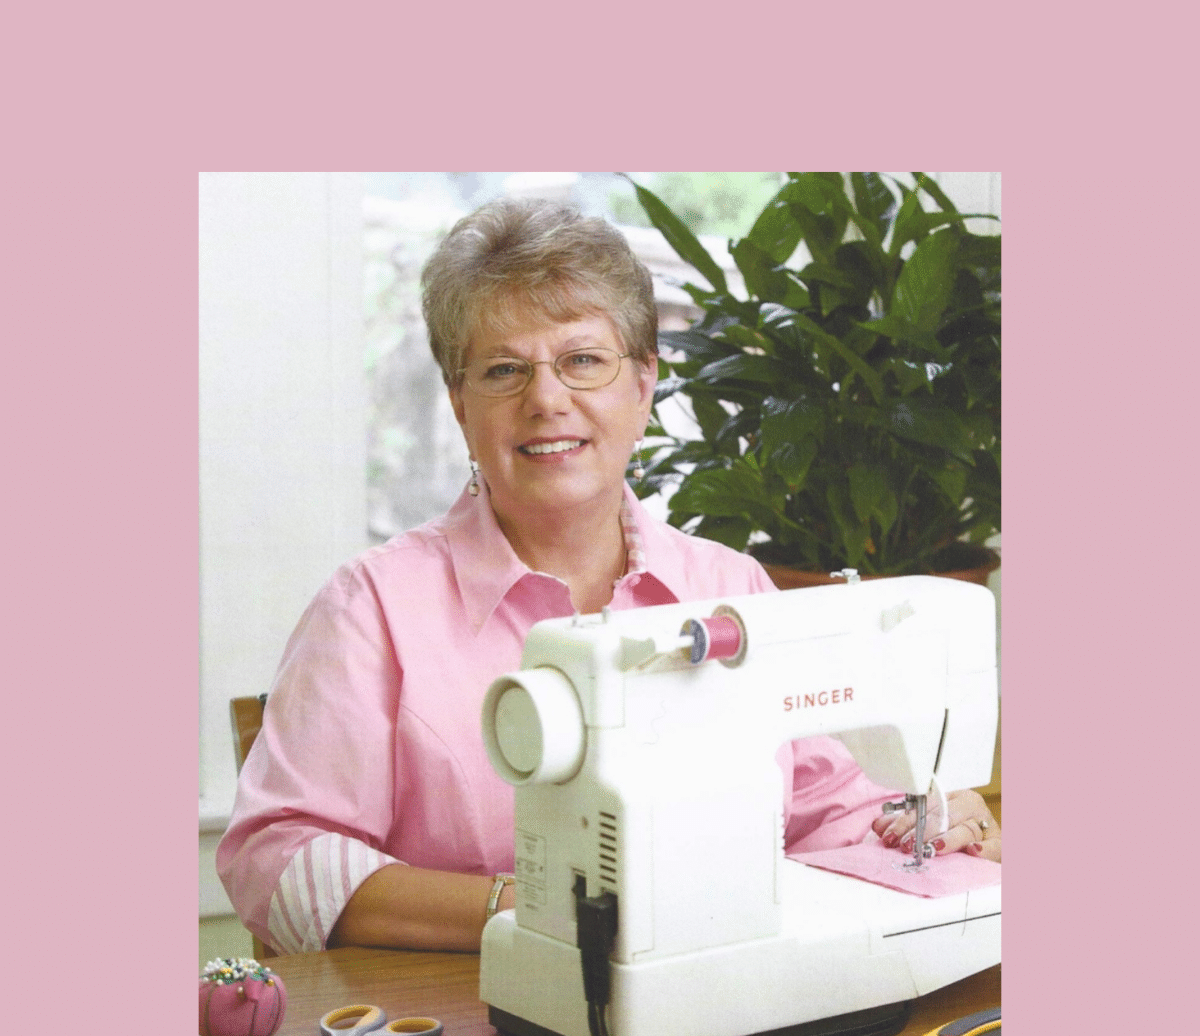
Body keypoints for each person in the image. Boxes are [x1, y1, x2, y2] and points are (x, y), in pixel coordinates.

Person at [217, 199, 999, 956]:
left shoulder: (733, 587)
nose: (546, 400)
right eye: (502, 370)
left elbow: (833, 819)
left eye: (583, 360)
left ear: (643, 386)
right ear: (460, 404)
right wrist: (525, 910)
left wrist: (924, 824)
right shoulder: (373, 609)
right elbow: (281, 862)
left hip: (707, 1020)